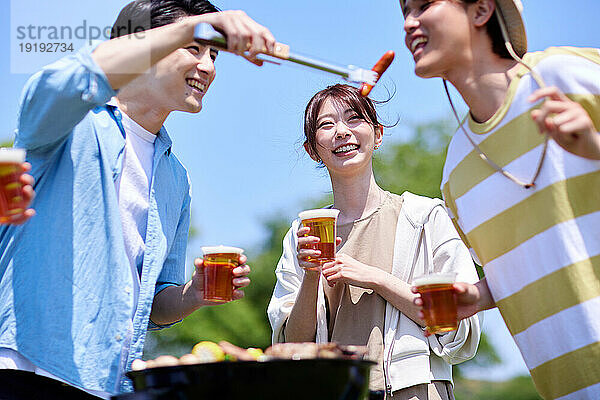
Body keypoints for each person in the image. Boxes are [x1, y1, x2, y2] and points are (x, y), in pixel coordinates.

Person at [0, 0, 276, 398]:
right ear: (142, 45)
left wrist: (191, 295)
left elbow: (155, 304)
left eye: (215, 54)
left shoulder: (175, 177)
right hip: (27, 370)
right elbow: (61, 82)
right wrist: (195, 25)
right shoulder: (70, 125)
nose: (209, 67)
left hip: (108, 382)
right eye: (195, 48)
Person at [400, 1, 600, 399]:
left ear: (481, 10)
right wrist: (479, 296)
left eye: (425, 5)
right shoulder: (456, 172)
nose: (409, 23)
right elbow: (537, 262)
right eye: (404, 11)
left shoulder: (566, 74)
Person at [267, 84, 481, 400]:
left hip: (416, 391)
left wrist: (375, 278)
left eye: (354, 119)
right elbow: (291, 348)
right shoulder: (303, 232)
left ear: (377, 134)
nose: (341, 131)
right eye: (326, 125)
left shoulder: (425, 217)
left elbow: (456, 328)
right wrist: (311, 274)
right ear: (313, 149)